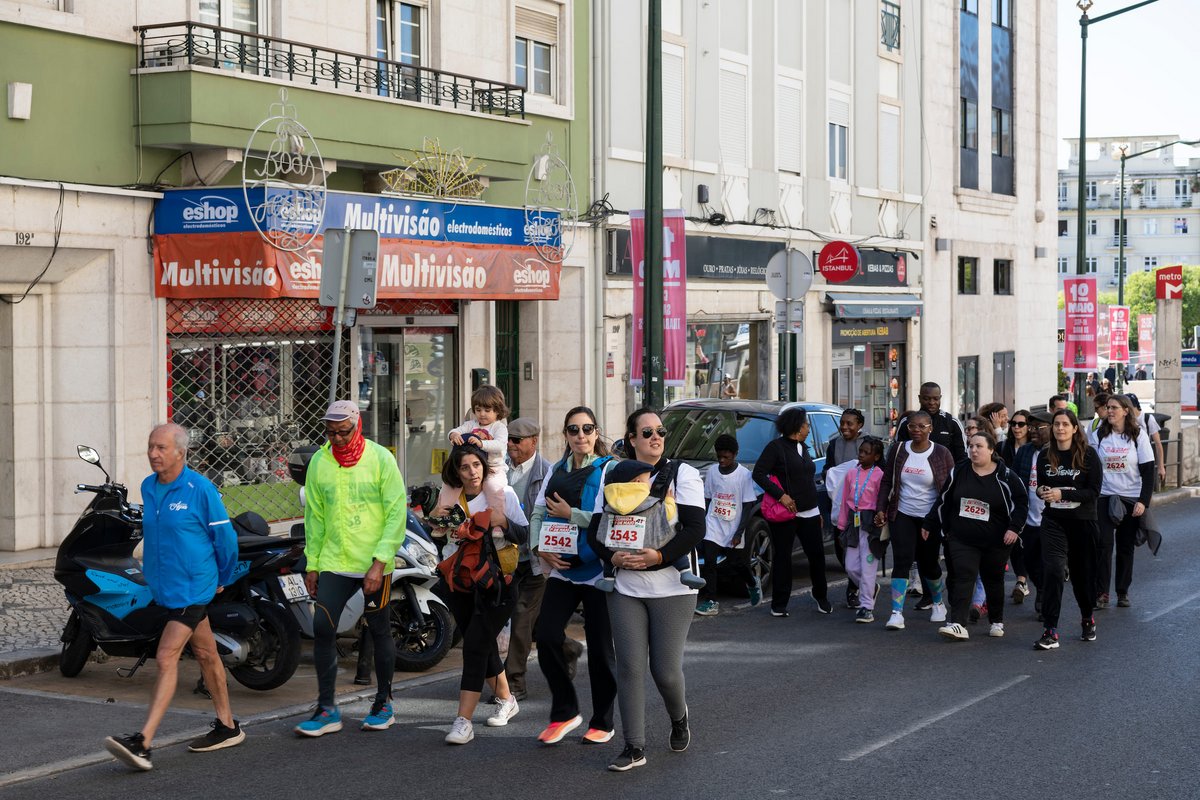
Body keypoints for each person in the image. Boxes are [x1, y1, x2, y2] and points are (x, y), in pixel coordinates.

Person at [104, 424, 242, 771]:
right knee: (208, 653)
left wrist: (221, 580)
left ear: (181, 452)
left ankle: (144, 743)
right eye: (151, 447)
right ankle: (227, 726)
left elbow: (226, 542)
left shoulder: (201, 489)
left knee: (166, 656)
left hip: (194, 587)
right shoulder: (149, 487)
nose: (153, 453)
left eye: (161, 448)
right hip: (168, 590)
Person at [588, 408, 705, 772]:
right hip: (625, 585)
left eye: (660, 431)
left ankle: (679, 717)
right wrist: (613, 556)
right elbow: (594, 530)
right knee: (630, 667)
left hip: (672, 585)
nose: (656, 437)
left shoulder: (681, 474)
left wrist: (657, 556)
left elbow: (693, 529)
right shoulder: (612, 474)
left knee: (665, 671)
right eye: (647, 432)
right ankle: (633, 747)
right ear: (632, 439)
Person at [295, 401, 407, 737]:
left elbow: (395, 512)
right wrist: (313, 564)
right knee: (322, 628)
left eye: (343, 432)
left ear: (357, 426)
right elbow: (313, 517)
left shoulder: (380, 459)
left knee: (379, 629)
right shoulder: (319, 461)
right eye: (331, 433)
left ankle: (383, 702)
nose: (337, 439)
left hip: (374, 562)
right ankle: (327, 708)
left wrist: (379, 562)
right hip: (334, 560)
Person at [530, 407, 617, 745]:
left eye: (587, 428)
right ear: (565, 435)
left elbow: (609, 516)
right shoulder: (556, 469)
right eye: (573, 429)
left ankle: (603, 722)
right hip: (562, 569)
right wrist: (539, 547)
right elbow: (538, 511)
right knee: (548, 635)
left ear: (596, 432)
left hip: (597, 569)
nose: (581, 435)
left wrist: (572, 514)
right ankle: (565, 711)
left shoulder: (610, 469)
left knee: (600, 649)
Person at [432, 444, 529, 745]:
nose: (472, 472)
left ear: (485, 468)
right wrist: (439, 522)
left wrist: (501, 523)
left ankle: (464, 721)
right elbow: (439, 540)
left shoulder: (503, 495)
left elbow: (524, 535)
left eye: (477, 465)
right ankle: (506, 698)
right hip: (459, 581)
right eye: (465, 467)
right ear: (456, 471)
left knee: (474, 645)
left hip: (497, 582)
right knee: (481, 643)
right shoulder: (450, 499)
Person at [923, 431, 1027, 641]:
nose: (973, 450)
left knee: (993, 580)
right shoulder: (960, 471)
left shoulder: (1006, 476)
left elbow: (1021, 503)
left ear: (991, 450)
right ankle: (958, 624)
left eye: (979, 446)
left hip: (996, 540)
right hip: (962, 538)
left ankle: (996, 620)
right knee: (963, 576)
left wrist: (1014, 528)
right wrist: (930, 522)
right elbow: (944, 499)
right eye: (971, 446)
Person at [874, 410, 954, 630]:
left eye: (922, 426)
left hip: (930, 517)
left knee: (929, 563)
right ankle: (896, 613)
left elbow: (949, 489)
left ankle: (938, 603)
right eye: (912, 426)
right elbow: (887, 481)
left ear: (930, 429)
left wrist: (943, 518)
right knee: (902, 559)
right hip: (903, 513)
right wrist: (881, 508)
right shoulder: (899, 449)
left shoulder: (942, 453)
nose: (916, 430)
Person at [751, 406, 832, 616]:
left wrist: (817, 511)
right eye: (805, 424)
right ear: (797, 427)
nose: (808, 428)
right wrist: (781, 495)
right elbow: (759, 474)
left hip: (810, 511)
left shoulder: (803, 447)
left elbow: (806, 479)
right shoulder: (775, 448)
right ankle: (779, 603)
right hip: (786, 513)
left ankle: (820, 595)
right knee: (783, 557)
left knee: (817, 556)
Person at [1034, 409, 1102, 650]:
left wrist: (1063, 493)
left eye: (1065, 424)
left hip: (1082, 522)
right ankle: (1050, 631)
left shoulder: (1089, 456)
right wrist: (1042, 491)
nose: (1060, 428)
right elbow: (1041, 485)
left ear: (1075, 428)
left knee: (1082, 578)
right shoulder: (1044, 456)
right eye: (1056, 425)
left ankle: (1087, 618)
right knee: (1052, 571)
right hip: (1054, 521)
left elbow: (1093, 492)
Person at [594, 462, 703, 592]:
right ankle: (685, 572)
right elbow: (667, 514)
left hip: (619, 550)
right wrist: (669, 501)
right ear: (639, 482)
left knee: (609, 556)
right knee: (672, 537)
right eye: (648, 480)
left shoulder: (610, 502)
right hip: (651, 547)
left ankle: (608, 580)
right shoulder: (651, 501)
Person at [1089, 394, 1155, 609]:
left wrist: (1143, 502)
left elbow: (1147, 471)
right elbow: (1089, 465)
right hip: (1105, 497)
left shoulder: (1138, 436)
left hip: (1131, 498)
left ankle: (1122, 591)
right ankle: (1102, 592)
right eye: (1108, 407)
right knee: (1103, 545)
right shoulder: (1099, 434)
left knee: (1125, 546)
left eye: (1114, 408)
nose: (1109, 411)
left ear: (1126, 410)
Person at [503, 417, 552, 702]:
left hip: (534, 560)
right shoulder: (498, 469)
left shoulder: (548, 472)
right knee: (539, 624)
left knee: (521, 616)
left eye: (516, 440)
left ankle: (514, 683)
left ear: (533, 442)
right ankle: (569, 649)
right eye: (508, 439)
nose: (510, 445)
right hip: (504, 559)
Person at [696, 434, 761, 616]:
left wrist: (739, 533)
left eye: (726, 457)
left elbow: (748, 505)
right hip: (714, 523)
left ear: (735, 454)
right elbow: (708, 498)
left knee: (737, 563)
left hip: (734, 526)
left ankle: (752, 583)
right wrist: (705, 523)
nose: (722, 461)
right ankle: (711, 601)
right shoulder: (712, 472)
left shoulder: (744, 475)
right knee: (709, 562)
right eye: (719, 457)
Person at [441, 385, 510, 539]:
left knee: (494, 489)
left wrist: (482, 444)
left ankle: (497, 522)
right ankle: (443, 518)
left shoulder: (499, 427)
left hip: (493, 468)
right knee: (449, 485)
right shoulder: (471, 425)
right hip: (472, 467)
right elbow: (455, 430)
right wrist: (453, 436)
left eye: (487, 410)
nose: (482, 414)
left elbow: (500, 445)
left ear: (497, 410)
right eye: (478, 410)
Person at [835, 437, 885, 623]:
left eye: (867, 452)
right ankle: (870, 589)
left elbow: (882, 502)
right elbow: (844, 501)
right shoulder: (850, 474)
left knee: (868, 568)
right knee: (850, 566)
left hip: (871, 525)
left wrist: (882, 520)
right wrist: (841, 525)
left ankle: (866, 607)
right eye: (860, 451)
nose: (861, 455)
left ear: (877, 456)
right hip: (853, 524)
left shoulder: (879, 475)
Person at [824, 408, 866, 608]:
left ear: (860, 425)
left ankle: (853, 589)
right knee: (841, 546)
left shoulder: (869, 444)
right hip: (839, 505)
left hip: (861, 505)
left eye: (850, 423)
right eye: (842, 423)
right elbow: (828, 469)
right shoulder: (833, 445)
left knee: (856, 547)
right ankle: (858, 583)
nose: (845, 427)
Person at [896, 382, 967, 461]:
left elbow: (962, 456)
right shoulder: (907, 422)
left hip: (944, 471)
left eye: (936, 399)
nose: (931, 403)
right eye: (926, 399)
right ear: (919, 398)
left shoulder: (951, 422)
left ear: (940, 398)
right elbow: (897, 451)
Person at [1124, 393, 1167, 485]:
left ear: (1134, 406)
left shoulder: (1147, 419)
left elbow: (1158, 444)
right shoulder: (1125, 419)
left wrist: (1161, 466)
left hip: (1144, 458)